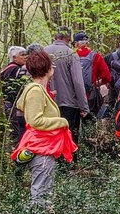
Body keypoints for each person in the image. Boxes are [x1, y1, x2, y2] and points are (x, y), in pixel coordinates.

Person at [12, 50, 77, 204]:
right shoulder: (35, 91)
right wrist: (62, 122)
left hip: (45, 147)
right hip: (42, 148)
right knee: (41, 193)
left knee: (43, 191)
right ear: (47, 69)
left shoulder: (39, 90)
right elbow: (35, 121)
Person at [45, 31, 90, 133]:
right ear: (69, 38)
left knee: (51, 137)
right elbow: (78, 82)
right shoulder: (71, 54)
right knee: (69, 137)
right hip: (68, 104)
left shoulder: (43, 52)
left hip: (47, 103)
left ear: (55, 37)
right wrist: (84, 107)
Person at [73, 32, 112, 118]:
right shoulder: (96, 56)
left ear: (76, 44)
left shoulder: (71, 56)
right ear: (87, 43)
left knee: (73, 126)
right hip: (90, 95)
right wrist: (97, 83)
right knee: (89, 122)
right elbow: (107, 77)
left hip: (73, 96)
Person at [0, 46, 30, 150]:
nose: (25, 57)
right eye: (22, 55)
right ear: (14, 57)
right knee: (15, 131)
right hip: (12, 106)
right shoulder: (13, 69)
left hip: (13, 105)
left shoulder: (12, 68)